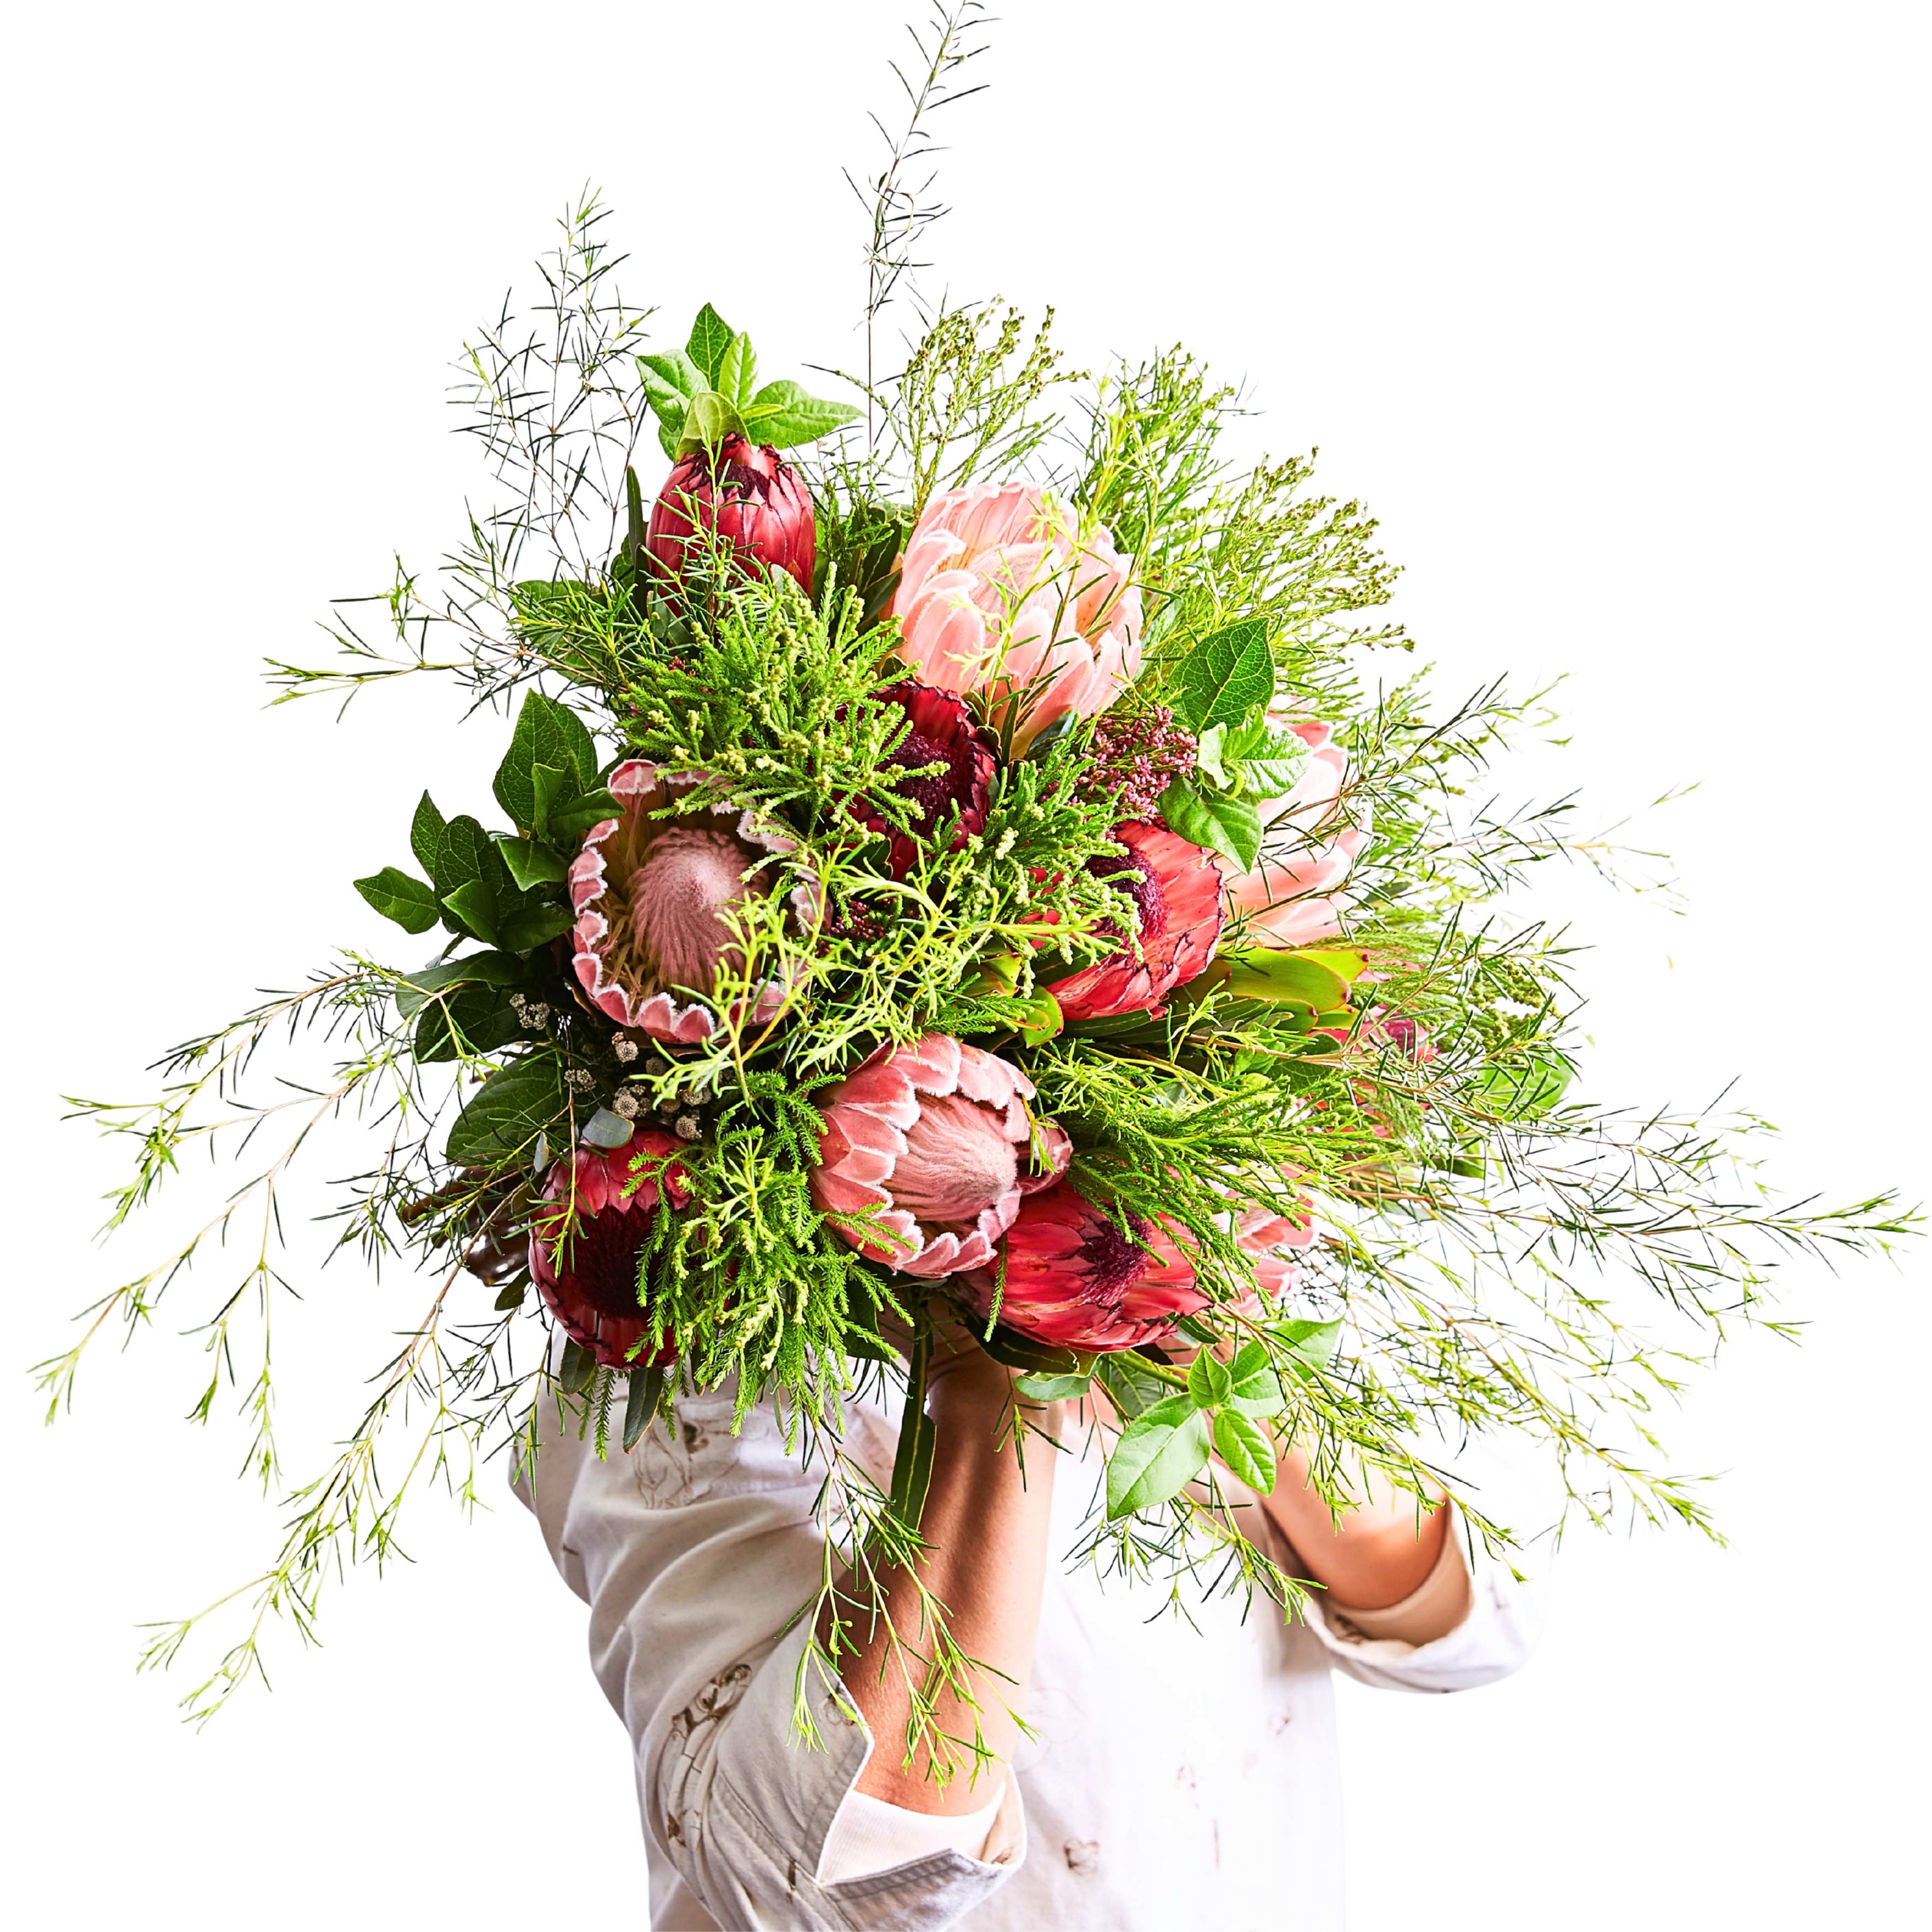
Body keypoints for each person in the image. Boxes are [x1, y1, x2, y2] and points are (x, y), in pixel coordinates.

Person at [515, 1320, 1538, 1930]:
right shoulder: (671, 1361)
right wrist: (998, 1370)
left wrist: (1205, 1336)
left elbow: (1466, 1631)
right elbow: (820, 1879)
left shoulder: (1174, 1232)